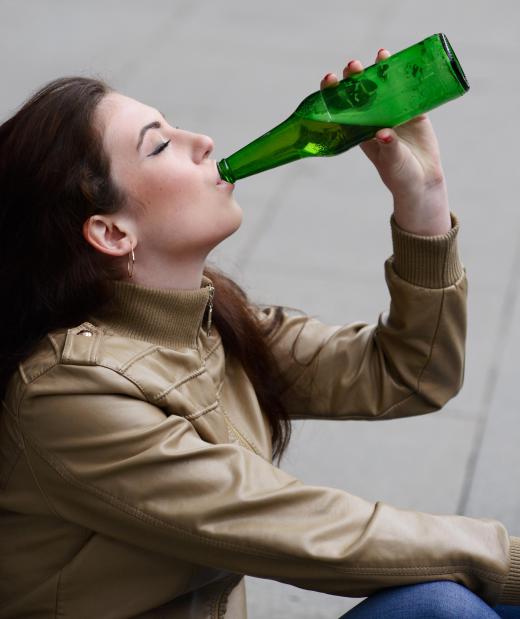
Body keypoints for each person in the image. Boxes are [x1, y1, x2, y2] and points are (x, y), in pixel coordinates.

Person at [0, 50, 518, 619]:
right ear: (109, 230)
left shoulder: (210, 321)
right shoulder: (69, 396)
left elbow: (407, 374)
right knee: (448, 608)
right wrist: (508, 561)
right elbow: (314, 531)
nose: (201, 140)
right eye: (160, 144)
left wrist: (423, 199)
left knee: (444, 603)